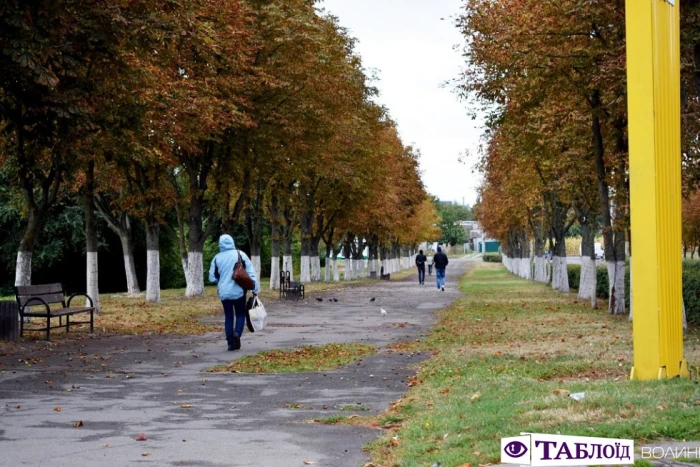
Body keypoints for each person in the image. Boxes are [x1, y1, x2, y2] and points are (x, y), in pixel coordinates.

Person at [209, 234, 260, 351]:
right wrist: (255, 289)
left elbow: (212, 277)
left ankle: (230, 343)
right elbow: (251, 273)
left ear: (220, 244)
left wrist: (221, 281)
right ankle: (237, 333)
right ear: (232, 242)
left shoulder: (217, 258)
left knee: (228, 316)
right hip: (239, 292)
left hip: (224, 293)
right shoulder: (240, 254)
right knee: (240, 314)